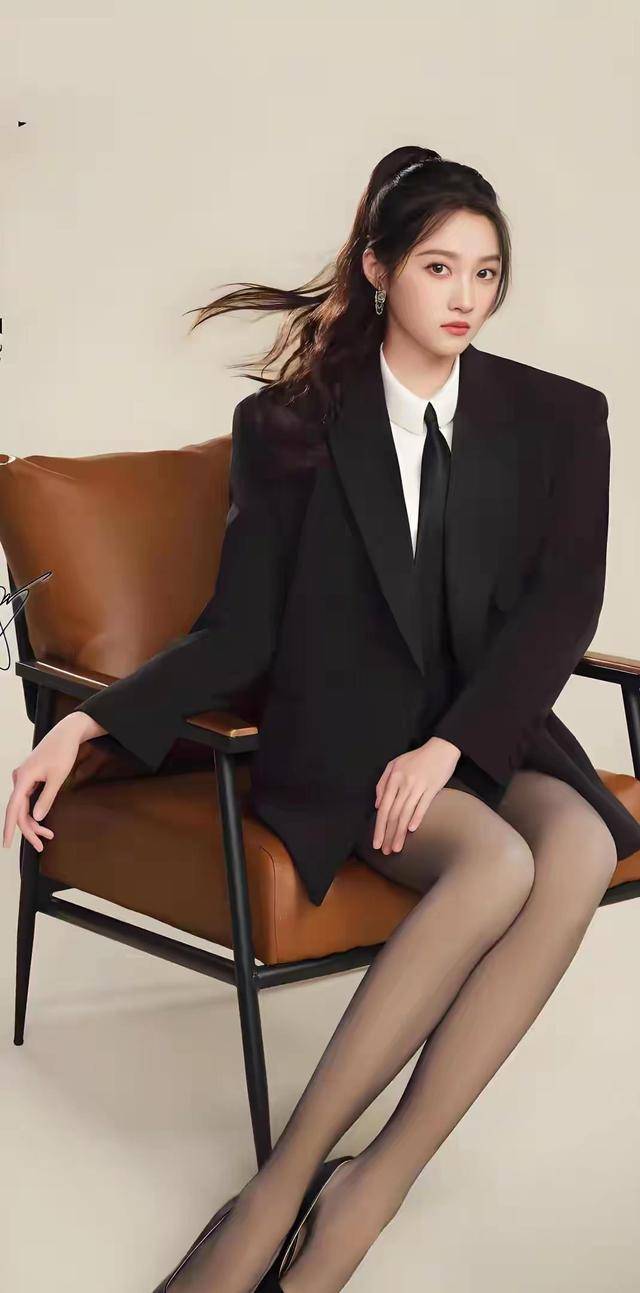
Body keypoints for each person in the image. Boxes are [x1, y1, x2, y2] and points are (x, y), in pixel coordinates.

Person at [4, 145, 640, 1293]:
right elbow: (239, 630)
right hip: (344, 740)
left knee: (584, 844)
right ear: (379, 269)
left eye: (485, 273)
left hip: (478, 729)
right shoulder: (292, 428)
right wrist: (86, 726)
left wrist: (451, 744)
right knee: (497, 864)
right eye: (438, 268)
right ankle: (282, 1189)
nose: (464, 297)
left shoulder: (556, 417)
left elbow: (562, 608)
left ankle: (370, 1187)